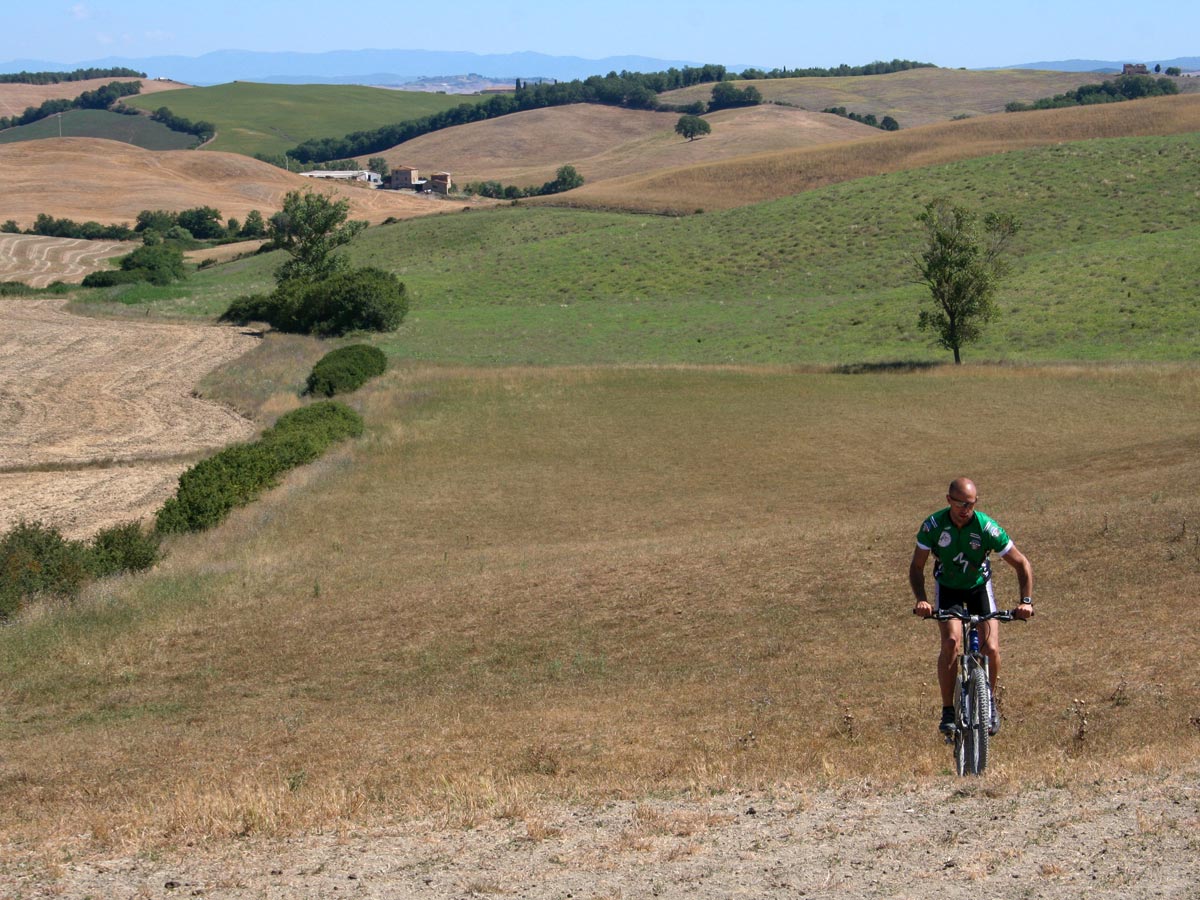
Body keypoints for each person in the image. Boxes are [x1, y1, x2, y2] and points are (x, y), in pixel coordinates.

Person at [909, 477, 1033, 735]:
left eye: (972, 504)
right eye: (961, 504)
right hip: (948, 587)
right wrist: (922, 600)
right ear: (948, 501)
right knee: (951, 642)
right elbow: (917, 567)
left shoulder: (986, 527)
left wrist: (1025, 602)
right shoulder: (933, 526)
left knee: (991, 647)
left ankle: (988, 702)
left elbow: (1021, 564)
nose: (967, 509)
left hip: (979, 587)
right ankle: (948, 711)